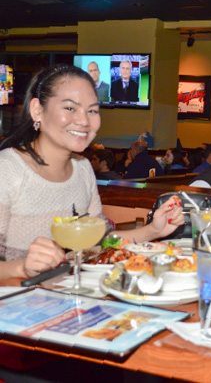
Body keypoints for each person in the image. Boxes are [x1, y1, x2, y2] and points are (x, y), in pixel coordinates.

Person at [0, 65, 183, 280]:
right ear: (37, 110)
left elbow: (101, 240)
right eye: (70, 108)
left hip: (66, 298)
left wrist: (154, 230)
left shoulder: (83, 169)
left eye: (92, 110)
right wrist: (22, 268)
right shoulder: (8, 169)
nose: (84, 121)